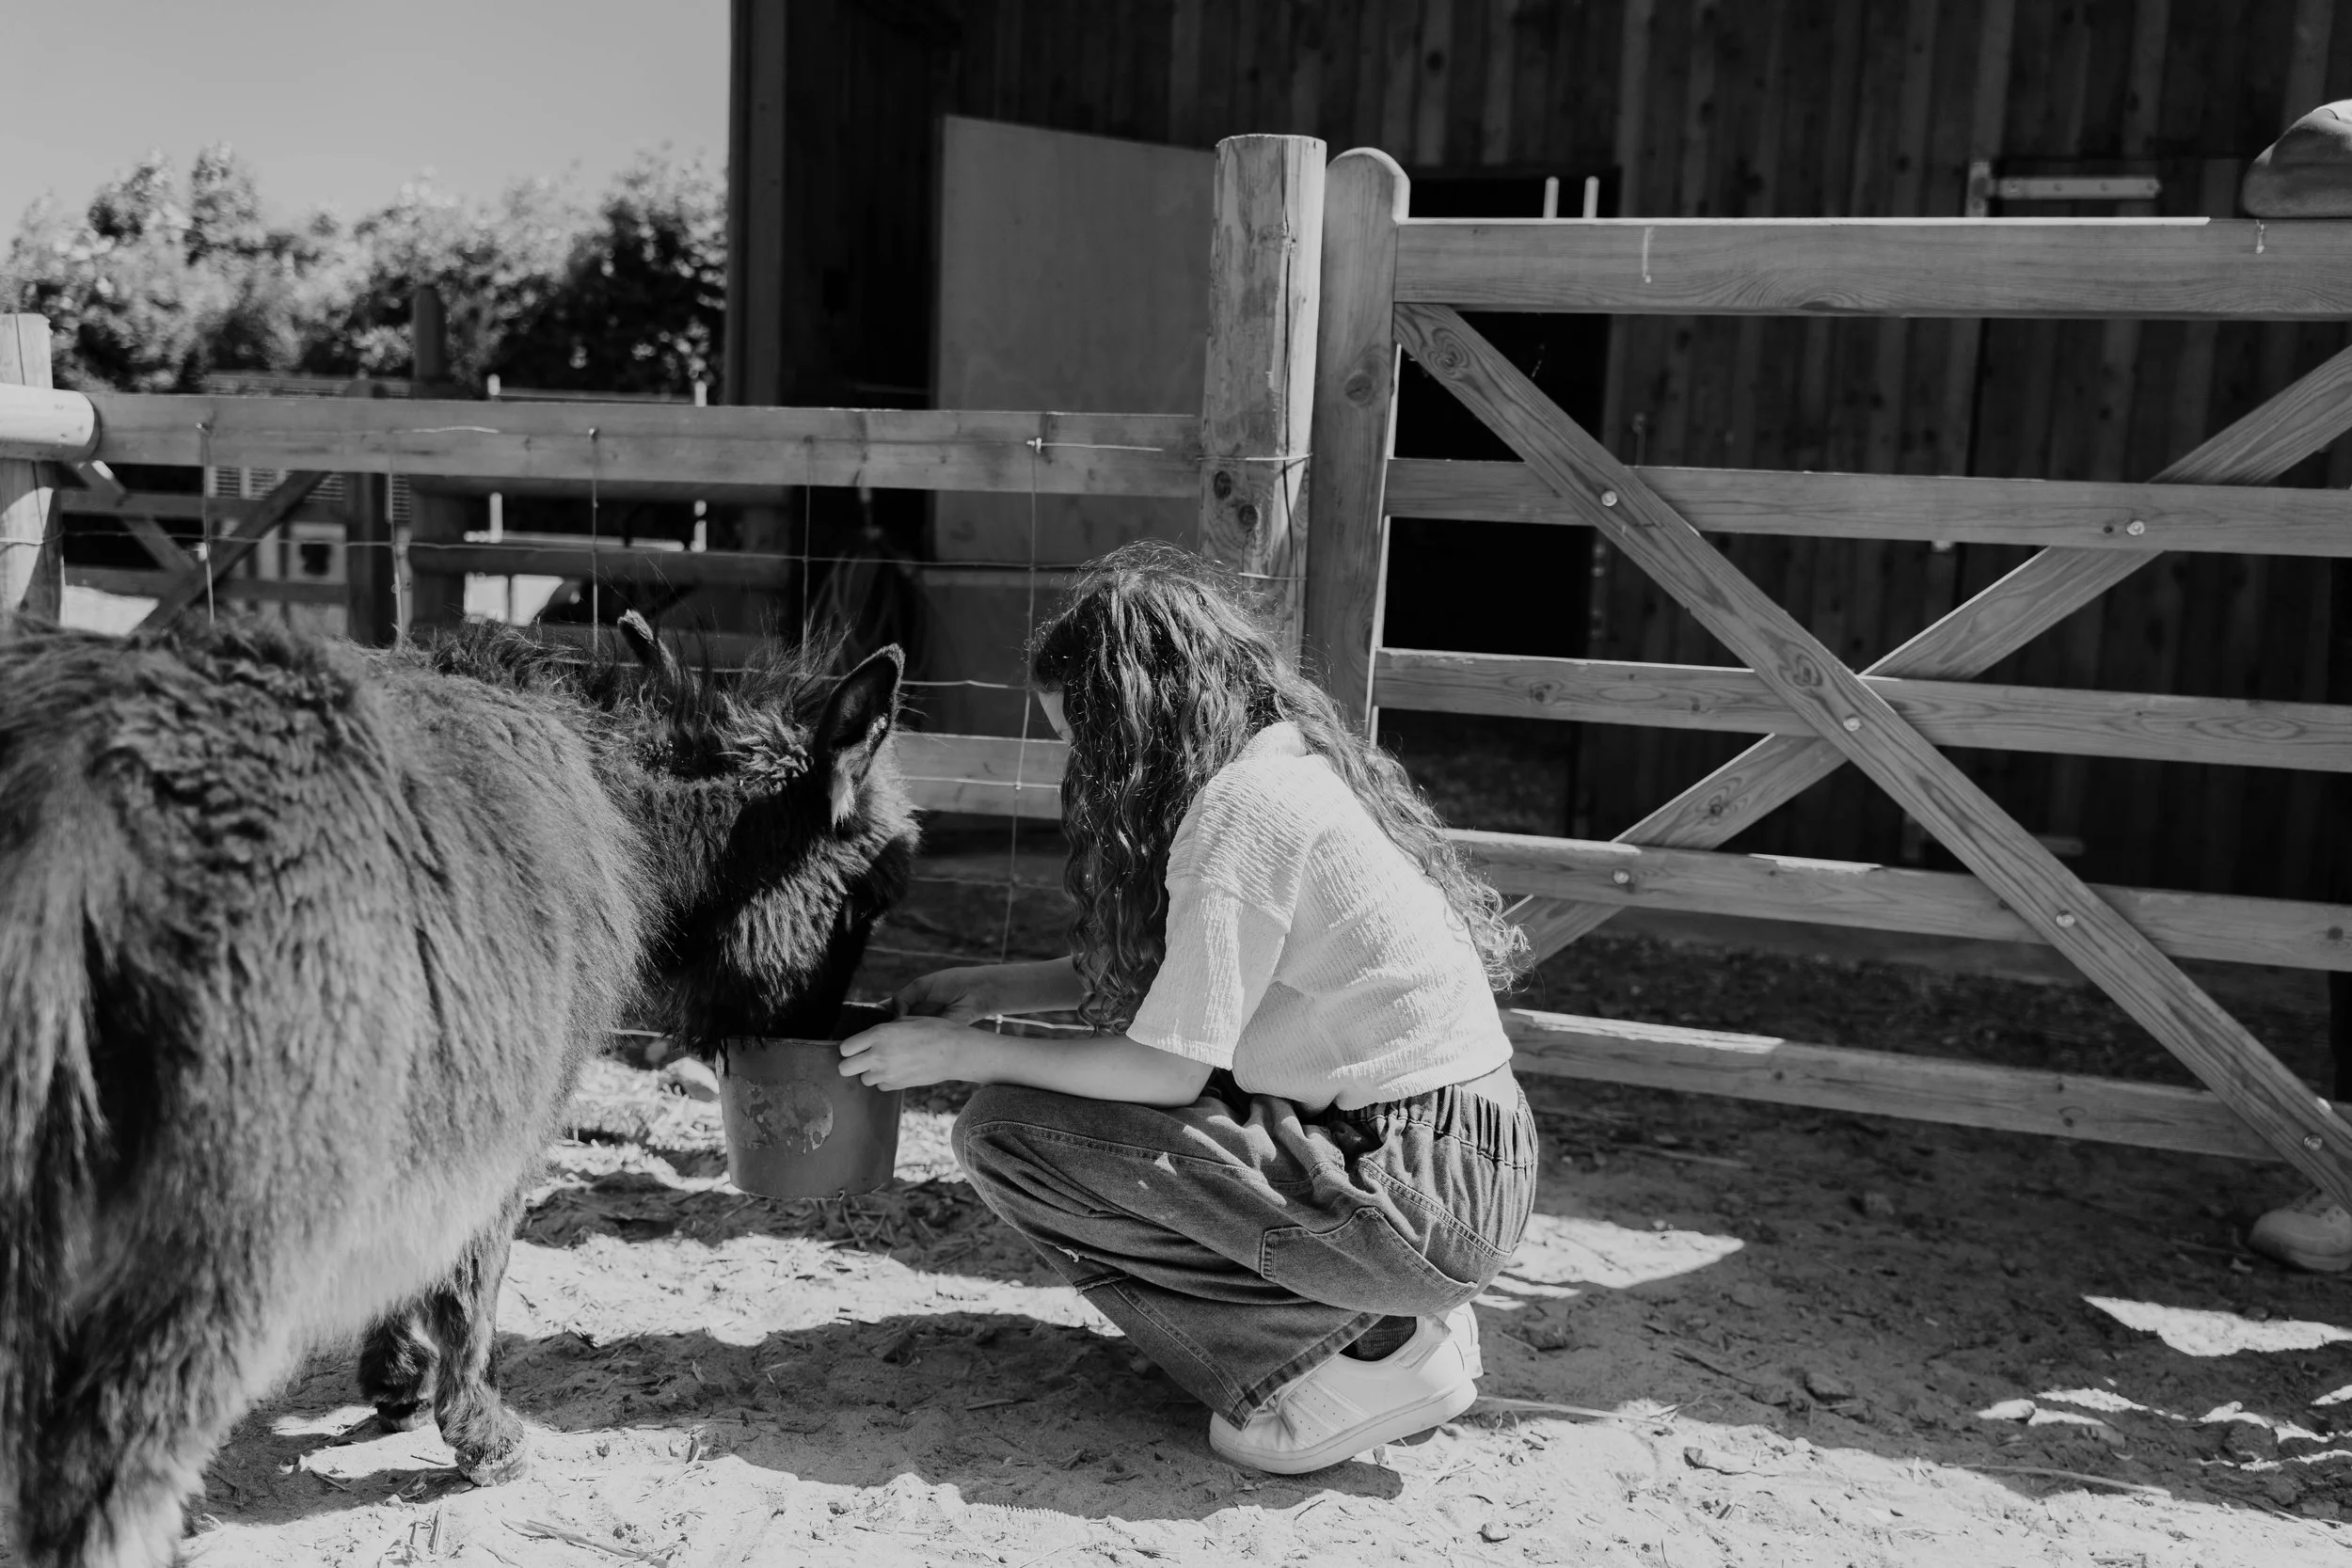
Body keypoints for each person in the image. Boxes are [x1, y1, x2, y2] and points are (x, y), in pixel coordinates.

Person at [839, 543, 1538, 1473]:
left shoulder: (1240, 815)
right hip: (1459, 1157)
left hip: (1413, 1190)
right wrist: (1005, 988)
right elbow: (1202, 975)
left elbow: (1164, 1067)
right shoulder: (1283, 765)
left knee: (1006, 1135)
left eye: (1082, 737)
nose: (1078, 763)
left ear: (1137, 720)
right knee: (1096, 1117)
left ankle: (1364, 1351)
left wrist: (963, 1053)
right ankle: (1384, 1319)